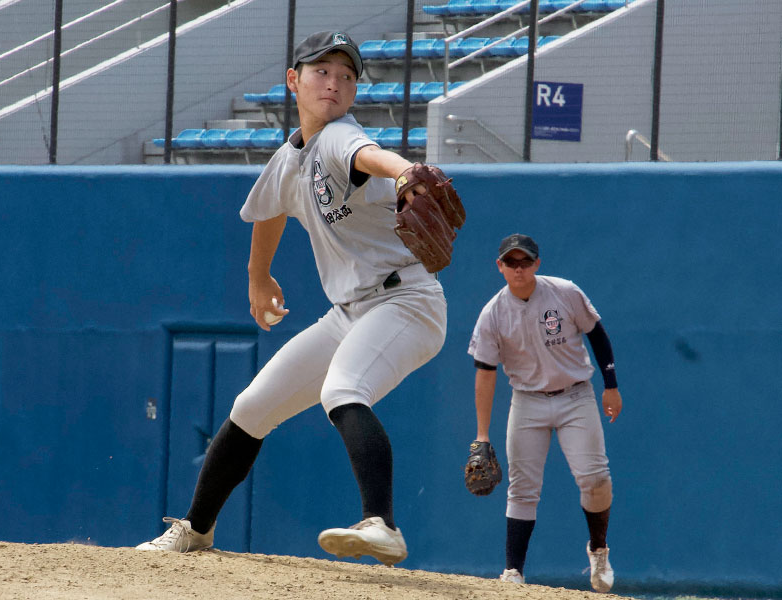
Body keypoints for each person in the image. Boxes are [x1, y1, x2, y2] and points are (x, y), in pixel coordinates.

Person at [136, 31, 451, 566]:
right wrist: (259, 276)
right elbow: (270, 208)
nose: (334, 83)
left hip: (407, 303)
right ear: (294, 80)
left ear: (353, 94)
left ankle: (383, 526)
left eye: (347, 76)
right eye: (321, 71)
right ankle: (195, 530)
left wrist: (403, 172)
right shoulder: (291, 157)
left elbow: (371, 156)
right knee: (252, 407)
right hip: (351, 311)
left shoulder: (338, 138)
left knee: (344, 389)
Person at [467, 234, 622, 592]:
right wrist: (481, 434)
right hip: (527, 401)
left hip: (575, 396)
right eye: (511, 262)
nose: (518, 269)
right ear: (500, 266)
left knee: (595, 479)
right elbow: (485, 372)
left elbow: (597, 334)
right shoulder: (493, 313)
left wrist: (610, 385)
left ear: (537, 264)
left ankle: (598, 549)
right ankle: (513, 572)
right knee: (522, 489)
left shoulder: (564, 292)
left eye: (525, 262)